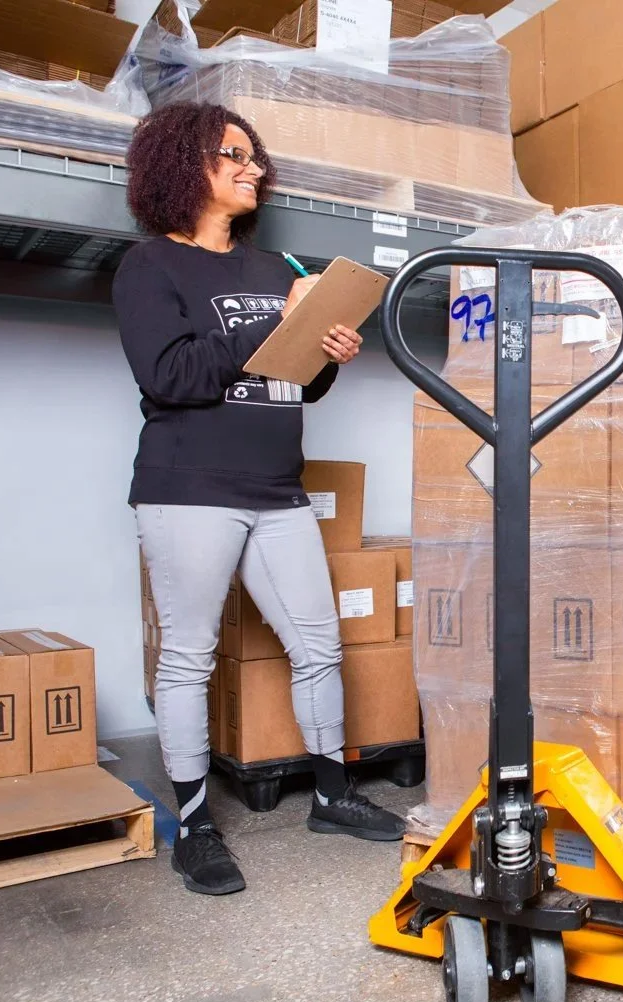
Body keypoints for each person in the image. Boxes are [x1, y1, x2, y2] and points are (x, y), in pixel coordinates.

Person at [114, 101, 406, 896]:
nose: (255, 168)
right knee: (189, 656)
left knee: (319, 641)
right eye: (233, 155)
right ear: (183, 166)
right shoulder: (150, 268)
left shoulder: (275, 268)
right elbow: (170, 376)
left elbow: (297, 383)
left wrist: (330, 350)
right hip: (190, 489)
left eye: (255, 156)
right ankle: (198, 826)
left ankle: (333, 793)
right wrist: (268, 327)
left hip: (279, 491)